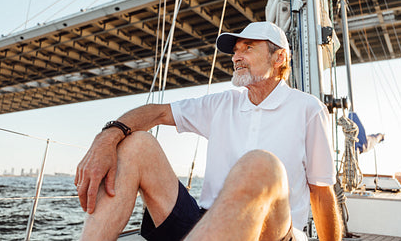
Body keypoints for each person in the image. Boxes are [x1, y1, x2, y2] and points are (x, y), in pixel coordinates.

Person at [75, 21, 342, 241]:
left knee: (260, 164)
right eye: (236, 51)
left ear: (279, 57)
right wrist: (106, 139)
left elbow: (321, 194)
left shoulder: (308, 110)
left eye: (248, 48)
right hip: (203, 224)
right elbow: (157, 112)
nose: (236, 57)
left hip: (271, 234)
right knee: (137, 145)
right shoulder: (221, 104)